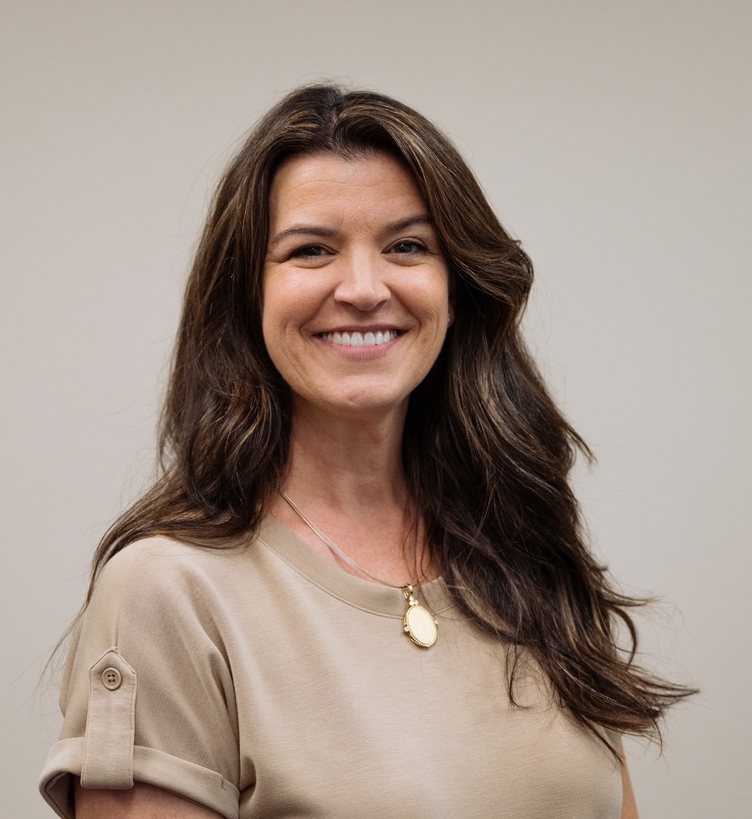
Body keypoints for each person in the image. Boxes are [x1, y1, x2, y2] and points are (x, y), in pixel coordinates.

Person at [39, 84, 693, 819]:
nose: (362, 288)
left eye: (407, 246)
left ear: (457, 287)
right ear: (246, 295)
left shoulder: (529, 551)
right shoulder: (167, 593)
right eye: (311, 250)